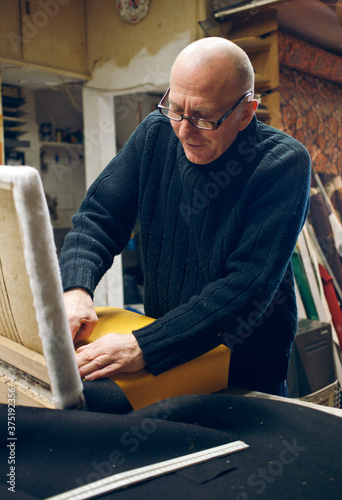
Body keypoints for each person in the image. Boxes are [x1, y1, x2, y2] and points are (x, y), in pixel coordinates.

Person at [59, 37, 311, 396]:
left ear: (246, 112)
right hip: (172, 353)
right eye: (175, 109)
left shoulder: (283, 164)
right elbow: (99, 217)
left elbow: (246, 287)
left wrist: (144, 346)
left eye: (204, 118)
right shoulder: (155, 134)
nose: (183, 131)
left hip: (246, 369)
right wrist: (76, 288)